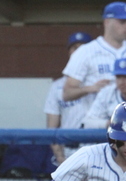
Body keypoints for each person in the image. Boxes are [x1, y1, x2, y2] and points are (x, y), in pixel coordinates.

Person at [62, 2, 126, 116]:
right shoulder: (85, 51)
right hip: (96, 125)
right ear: (107, 22)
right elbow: (67, 93)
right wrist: (90, 88)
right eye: (122, 22)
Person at [44, 31, 93, 165]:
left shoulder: (101, 83)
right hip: (70, 153)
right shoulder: (57, 86)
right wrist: (60, 158)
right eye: (74, 48)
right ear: (69, 52)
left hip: (99, 151)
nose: (78, 52)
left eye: (83, 48)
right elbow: (51, 130)